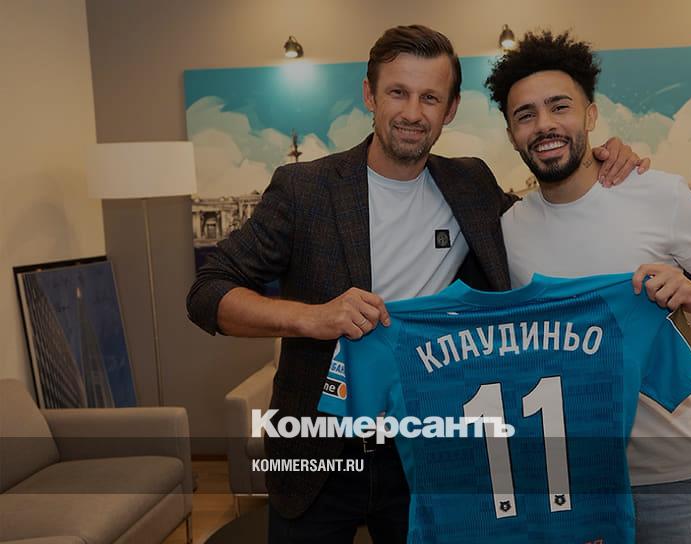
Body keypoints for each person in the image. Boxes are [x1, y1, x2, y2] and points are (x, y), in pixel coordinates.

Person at [186, 25, 645, 544]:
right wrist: (313, 317)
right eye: (397, 93)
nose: (412, 112)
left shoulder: (471, 184)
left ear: (450, 109)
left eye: (430, 97)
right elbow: (207, 292)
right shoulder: (305, 188)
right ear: (369, 95)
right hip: (318, 452)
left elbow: (546, 225)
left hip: (428, 453)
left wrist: (597, 159)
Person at [486, 30, 691, 543]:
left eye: (559, 107)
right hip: (569, 478)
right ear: (511, 134)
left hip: (674, 475)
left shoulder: (660, 194)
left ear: (590, 115)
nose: (544, 125)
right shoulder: (507, 231)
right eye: (525, 115)